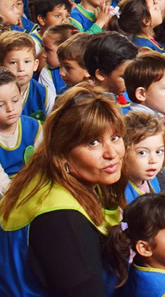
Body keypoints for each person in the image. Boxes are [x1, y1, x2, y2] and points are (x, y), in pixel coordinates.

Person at [0, 87, 125, 295]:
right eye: (93, 143)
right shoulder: (61, 221)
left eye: (115, 137)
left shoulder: (47, 174)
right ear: (63, 152)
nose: (112, 153)